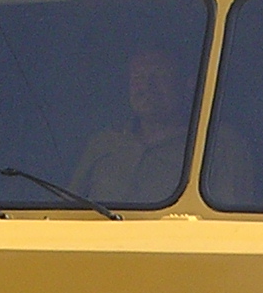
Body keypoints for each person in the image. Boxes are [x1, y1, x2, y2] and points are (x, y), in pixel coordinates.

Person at [73, 48, 194, 201]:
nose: (146, 87)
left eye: (159, 77)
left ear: (186, 84)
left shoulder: (217, 148)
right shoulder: (103, 145)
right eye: (138, 78)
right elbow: (67, 211)